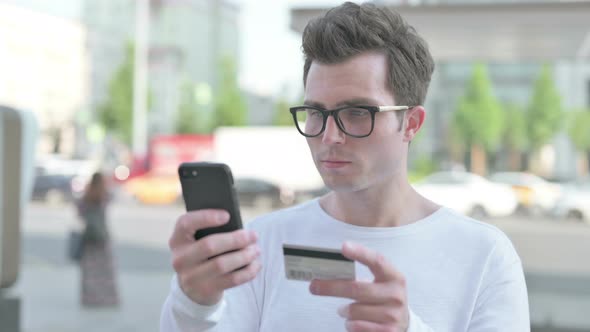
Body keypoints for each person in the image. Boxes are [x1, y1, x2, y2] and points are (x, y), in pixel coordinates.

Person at [160, 2, 529, 331]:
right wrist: (194, 302)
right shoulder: (261, 245)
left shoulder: (484, 256)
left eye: (356, 113)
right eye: (316, 112)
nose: (330, 136)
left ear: (412, 124)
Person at [77, 171, 119, 307]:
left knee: (89, 271)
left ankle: (89, 299)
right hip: (102, 237)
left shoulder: (86, 196)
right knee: (105, 271)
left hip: (89, 237)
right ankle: (107, 299)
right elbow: (112, 197)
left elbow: (78, 210)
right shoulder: (103, 195)